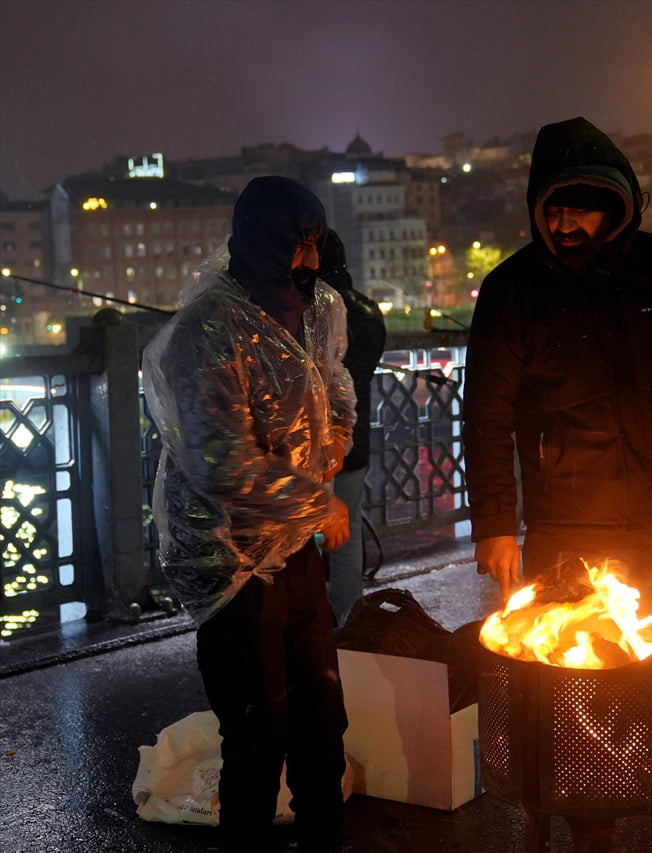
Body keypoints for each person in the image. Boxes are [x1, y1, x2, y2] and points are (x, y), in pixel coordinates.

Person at [462, 116, 652, 848]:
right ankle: (593, 827)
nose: (564, 224)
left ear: (615, 207)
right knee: (577, 682)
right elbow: (485, 416)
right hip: (568, 527)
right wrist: (495, 524)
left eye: (580, 209)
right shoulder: (513, 290)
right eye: (552, 209)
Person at [143, 176, 356, 853]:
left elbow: (336, 383)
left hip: (295, 550)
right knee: (256, 732)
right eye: (296, 246)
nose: (310, 262)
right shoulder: (208, 330)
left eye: (316, 244)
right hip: (229, 558)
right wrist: (315, 500)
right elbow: (219, 462)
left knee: (321, 716)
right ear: (262, 244)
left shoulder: (318, 310)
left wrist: (336, 440)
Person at [319, 229, 387, 625]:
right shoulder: (369, 311)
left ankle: (312, 624)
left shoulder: (315, 311)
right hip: (355, 441)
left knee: (303, 537)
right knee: (347, 537)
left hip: (314, 446)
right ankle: (348, 623)